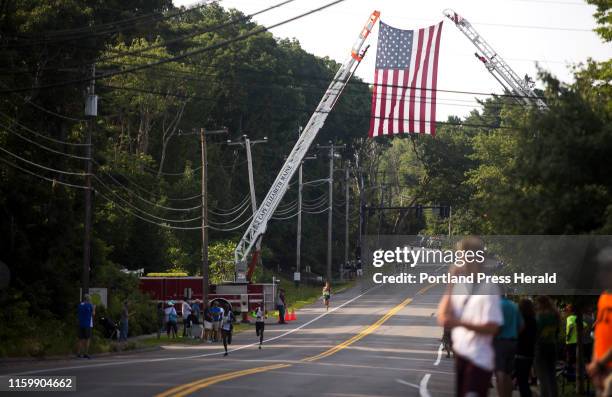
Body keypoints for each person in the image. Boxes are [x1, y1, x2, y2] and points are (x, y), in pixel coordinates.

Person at [437, 236, 503, 397]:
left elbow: (493, 328)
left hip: (479, 358)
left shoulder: (488, 287)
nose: (461, 262)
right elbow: (442, 316)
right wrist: (451, 283)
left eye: (464, 257)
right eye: (460, 258)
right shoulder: (460, 286)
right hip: (461, 356)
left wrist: (460, 323)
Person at [587, 247, 612, 396]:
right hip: (602, 370)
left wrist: (599, 363)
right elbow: (599, 333)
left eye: (603, 271)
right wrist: (595, 364)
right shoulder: (603, 298)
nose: (599, 275)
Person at [494, 294, 524, 397]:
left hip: (500, 341)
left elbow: (496, 326)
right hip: (513, 342)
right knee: (508, 374)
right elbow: (521, 326)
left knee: (500, 372)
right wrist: (514, 333)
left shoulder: (497, 306)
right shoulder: (514, 306)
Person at [534, 295, 560, 397]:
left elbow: (536, 332)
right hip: (552, 346)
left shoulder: (540, 316)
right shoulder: (555, 315)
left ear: (541, 304)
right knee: (551, 375)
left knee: (542, 376)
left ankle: (544, 395)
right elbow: (557, 331)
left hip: (541, 347)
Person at [516, 298, 537, 397]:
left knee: (522, 381)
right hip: (530, 352)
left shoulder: (520, 319)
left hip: (520, 351)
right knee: (524, 379)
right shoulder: (534, 320)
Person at [77, 294, 95, 359]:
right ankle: (86, 353)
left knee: (80, 339)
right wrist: (94, 309)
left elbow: (78, 313)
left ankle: (78, 353)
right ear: (88, 299)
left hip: (80, 324)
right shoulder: (90, 305)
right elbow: (93, 314)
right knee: (88, 339)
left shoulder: (80, 305)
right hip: (87, 324)